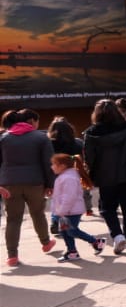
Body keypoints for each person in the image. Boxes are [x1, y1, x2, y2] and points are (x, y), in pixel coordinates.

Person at [83, 98, 126, 254]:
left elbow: (89, 158)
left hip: (105, 177)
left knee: (107, 208)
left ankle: (118, 236)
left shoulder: (91, 132)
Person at [1, 108, 57, 267]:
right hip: (35, 182)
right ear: (29, 122)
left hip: (9, 184)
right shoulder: (41, 138)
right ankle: (46, 242)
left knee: (13, 219)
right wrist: (50, 184)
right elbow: (48, 163)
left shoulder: (4, 138)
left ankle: (12, 256)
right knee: (38, 213)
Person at [48, 153, 104, 261]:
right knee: (65, 231)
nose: (52, 167)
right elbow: (62, 194)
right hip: (65, 211)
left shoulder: (69, 178)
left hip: (71, 211)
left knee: (71, 231)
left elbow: (69, 197)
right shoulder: (65, 176)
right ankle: (72, 252)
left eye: (54, 164)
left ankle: (96, 242)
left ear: (62, 166)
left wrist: (61, 210)